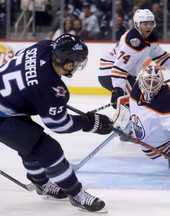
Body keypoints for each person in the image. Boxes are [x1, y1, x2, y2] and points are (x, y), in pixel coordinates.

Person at [0, 34, 113, 212]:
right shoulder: (51, 87)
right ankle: (77, 195)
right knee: (47, 149)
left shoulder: (44, 46)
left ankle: (41, 184)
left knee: (29, 144)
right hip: (3, 114)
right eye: (77, 63)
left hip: (9, 105)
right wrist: (90, 122)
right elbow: (59, 125)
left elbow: (32, 80)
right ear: (69, 64)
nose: (77, 67)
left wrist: (44, 99)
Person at [97, 9, 170, 109]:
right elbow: (118, 70)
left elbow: (159, 56)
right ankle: (123, 123)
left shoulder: (149, 37)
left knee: (140, 103)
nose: (149, 26)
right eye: (145, 24)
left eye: (151, 23)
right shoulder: (133, 42)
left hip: (124, 74)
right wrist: (118, 89)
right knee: (135, 104)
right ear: (137, 24)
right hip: (110, 72)